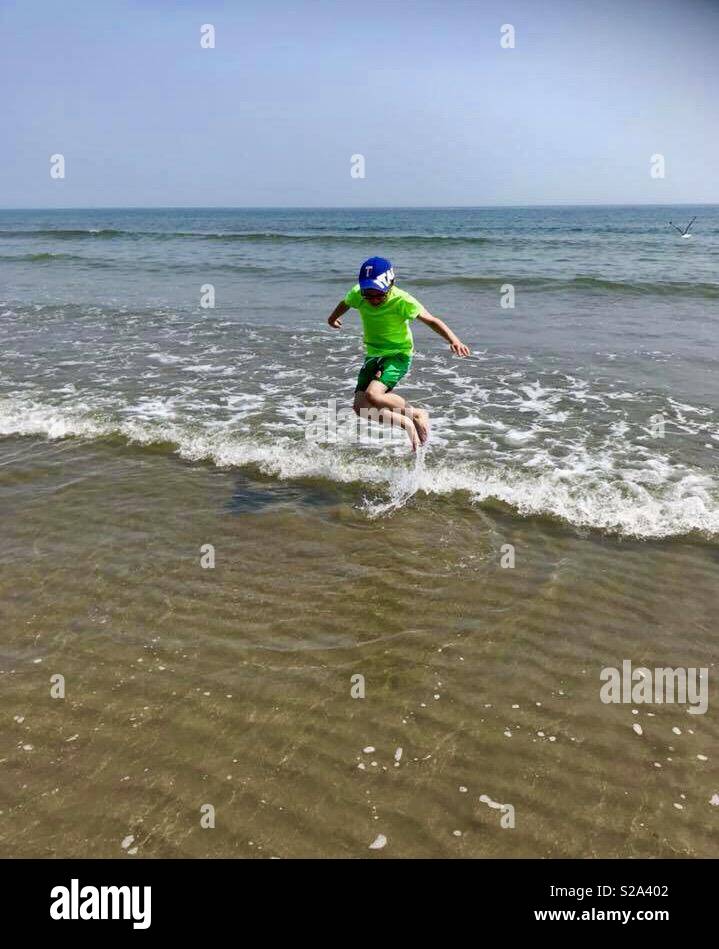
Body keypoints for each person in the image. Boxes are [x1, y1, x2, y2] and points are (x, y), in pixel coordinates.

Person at [326, 257, 470, 450]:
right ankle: (411, 418)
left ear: (391, 284)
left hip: (398, 355)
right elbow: (346, 302)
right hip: (373, 354)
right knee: (360, 407)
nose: (374, 299)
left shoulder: (402, 300)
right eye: (369, 294)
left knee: (374, 395)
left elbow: (431, 320)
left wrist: (454, 340)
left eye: (379, 294)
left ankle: (413, 416)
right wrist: (332, 318)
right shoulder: (358, 294)